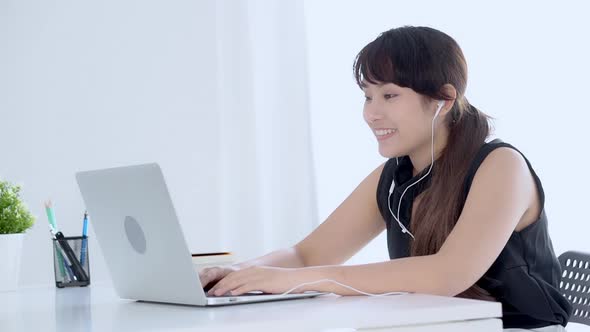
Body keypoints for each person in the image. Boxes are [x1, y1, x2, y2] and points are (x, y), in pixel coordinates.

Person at [199, 26, 571, 331]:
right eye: (367, 96)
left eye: (389, 95)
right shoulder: (396, 175)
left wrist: (294, 281)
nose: (372, 114)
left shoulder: (501, 165)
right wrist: (235, 274)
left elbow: (447, 275)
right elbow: (307, 253)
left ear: (443, 99)